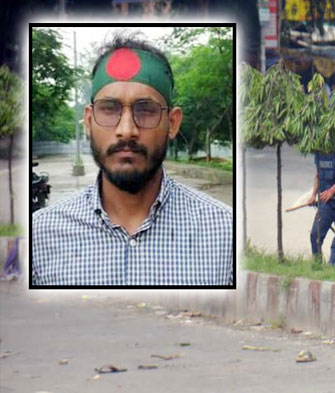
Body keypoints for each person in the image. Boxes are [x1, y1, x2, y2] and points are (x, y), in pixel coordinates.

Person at [31, 35, 233, 287]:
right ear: (89, 121)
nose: (126, 130)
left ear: (172, 123)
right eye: (109, 109)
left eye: (145, 110)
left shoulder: (225, 234)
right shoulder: (39, 236)